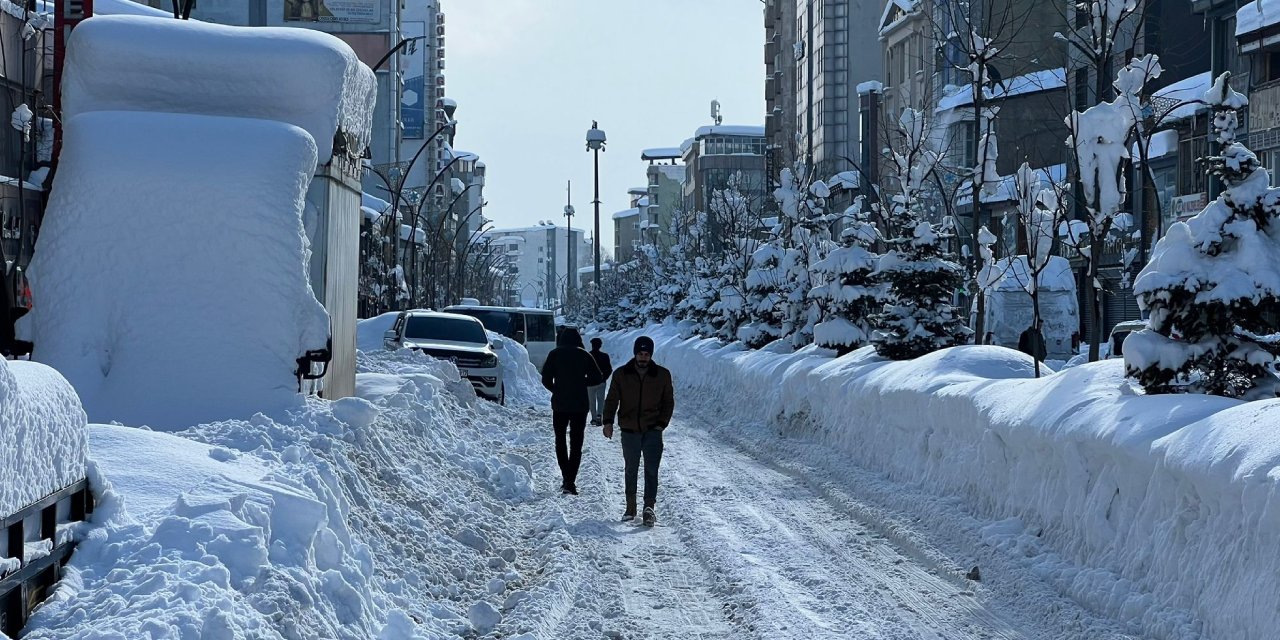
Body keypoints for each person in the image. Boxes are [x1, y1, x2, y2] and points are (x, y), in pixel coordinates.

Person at [602, 336, 674, 526]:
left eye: (647, 354)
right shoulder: (621, 374)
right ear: (635, 354)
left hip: (653, 430)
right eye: (640, 354)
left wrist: (661, 423)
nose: (643, 357)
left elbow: (668, 402)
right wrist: (608, 421)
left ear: (651, 355)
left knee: (651, 470)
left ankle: (649, 508)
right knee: (631, 469)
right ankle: (630, 507)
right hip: (629, 430)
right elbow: (611, 400)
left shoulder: (662, 375)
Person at [541, 326, 604, 495]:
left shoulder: (554, 354)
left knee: (560, 439)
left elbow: (545, 378)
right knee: (576, 442)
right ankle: (571, 480)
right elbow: (598, 377)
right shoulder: (584, 355)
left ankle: (565, 477)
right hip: (579, 405)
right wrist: (582, 384)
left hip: (560, 404)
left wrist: (556, 389)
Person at [587, 337, 613, 426]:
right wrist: (604, 378)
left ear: (592, 345)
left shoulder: (588, 355)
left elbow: (584, 369)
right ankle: (599, 415)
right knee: (601, 400)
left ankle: (593, 418)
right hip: (601, 382)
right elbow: (609, 369)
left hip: (590, 383)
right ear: (600, 345)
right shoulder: (605, 356)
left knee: (592, 401)